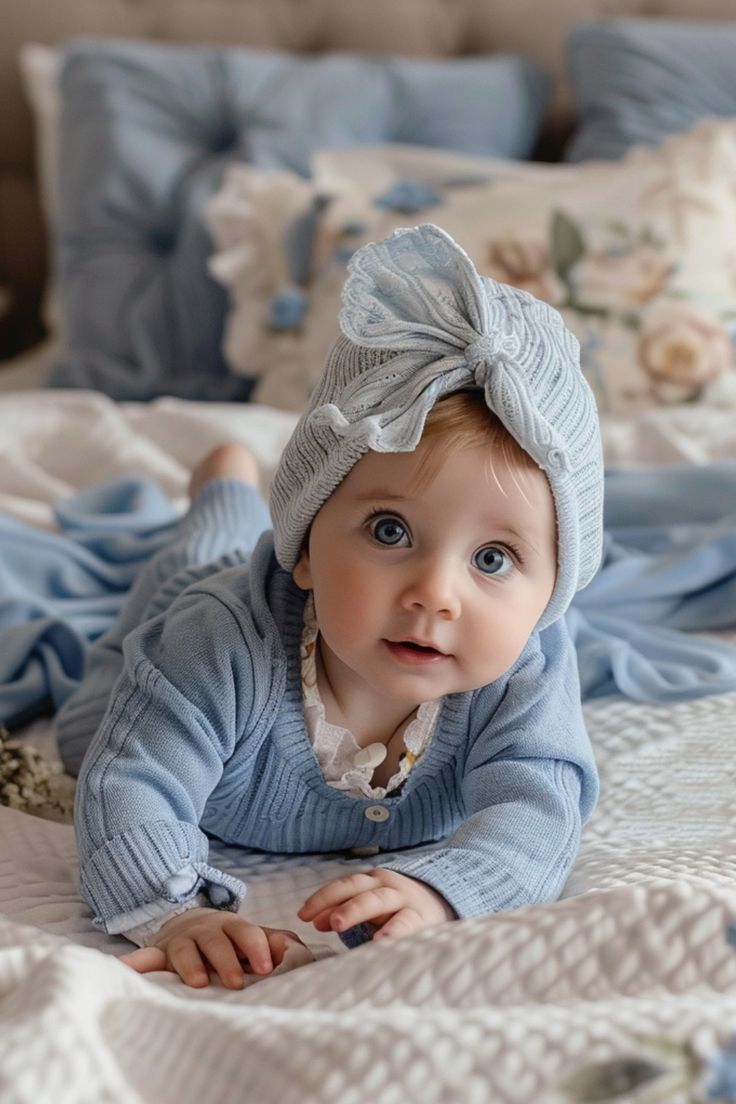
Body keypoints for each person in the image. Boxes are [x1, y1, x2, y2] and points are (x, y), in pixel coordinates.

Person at [59, 224, 603, 990]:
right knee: (97, 720)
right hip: (202, 600)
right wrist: (175, 910)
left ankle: (242, 493)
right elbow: (131, 784)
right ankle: (224, 485)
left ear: (551, 593)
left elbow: (540, 808)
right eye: (390, 530)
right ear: (308, 542)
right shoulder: (215, 644)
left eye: (493, 559)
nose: (435, 595)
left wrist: (445, 889)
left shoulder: (527, 665)